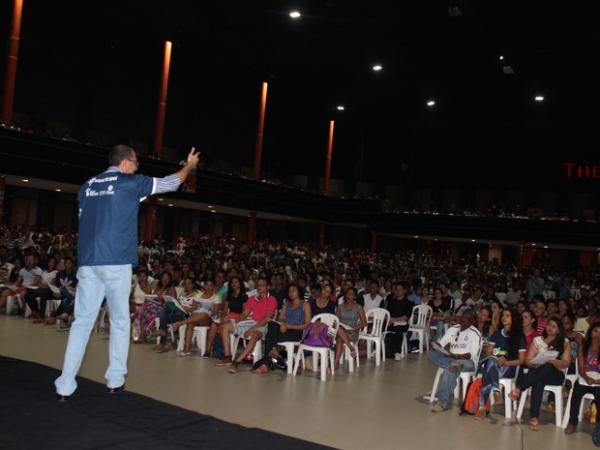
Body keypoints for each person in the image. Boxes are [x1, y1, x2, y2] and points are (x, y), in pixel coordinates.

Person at [54, 145, 200, 401]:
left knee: (81, 323)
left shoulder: (87, 186)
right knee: (121, 321)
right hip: (116, 260)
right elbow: (170, 183)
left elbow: (84, 219)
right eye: (135, 163)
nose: (137, 167)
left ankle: (65, 385)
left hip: (88, 261)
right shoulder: (129, 182)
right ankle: (115, 379)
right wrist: (189, 166)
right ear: (124, 163)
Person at [510, 317, 571, 430]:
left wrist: (554, 361)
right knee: (540, 379)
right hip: (538, 373)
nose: (550, 328)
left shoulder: (565, 342)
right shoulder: (537, 340)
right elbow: (528, 360)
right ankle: (534, 417)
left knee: (547, 366)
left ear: (558, 330)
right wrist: (533, 364)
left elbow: (566, 363)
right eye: (549, 325)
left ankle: (519, 388)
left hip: (556, 375)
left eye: (554, 326)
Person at [216, 277, 277, 373]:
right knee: (225, 327)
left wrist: (252, 329)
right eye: (258, 285)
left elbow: (267, 319)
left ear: (268, 287)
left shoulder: (272, 299)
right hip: (250, 322)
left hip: (264, 325)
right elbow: (245, 314)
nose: (259, 287)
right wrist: (235, 320)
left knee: (255, 334)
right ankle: (227, 356)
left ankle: (237, 362)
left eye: (262, 285)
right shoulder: (253, 299)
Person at [428, 310, 482, 413]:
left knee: (452, 367)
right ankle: (453, 367)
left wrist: (457, 356)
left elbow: (472, 355)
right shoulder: (454, 328)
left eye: (466, 318)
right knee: (431, 353)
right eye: (462, 317)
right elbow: (442, 343)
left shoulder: (475, 333)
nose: (462, 319)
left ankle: (442, 402)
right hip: (451, 358)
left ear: (472, 321)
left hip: (468, 362)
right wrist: (436, 346)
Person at [478, 308, 526, 418]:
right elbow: (489, 352)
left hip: (509, 367)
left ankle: (482, 406)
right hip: (494, 363)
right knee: (491, 361)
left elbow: (521, 360)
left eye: (507, 315)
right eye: (503, 315)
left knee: (488, 369)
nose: (504, 318)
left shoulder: (519, 337)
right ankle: (496, 391)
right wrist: (497, 357)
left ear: (514, 319)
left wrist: (506, 362)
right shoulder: (496, 334)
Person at [565, 323, 600, 435]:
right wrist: (586, 378)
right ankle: (572, 422)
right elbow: (580, 367)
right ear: (590, 333)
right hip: (585, 377)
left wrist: (598, 381)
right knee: (577, 391)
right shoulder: (583, 347)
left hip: (599, 380)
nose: (597, 335)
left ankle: (598, 426)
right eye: (595, 331)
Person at [173, 278, 222, 356]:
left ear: (213, 287)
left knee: (203, 314)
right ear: (204, 286)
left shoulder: (216, 297)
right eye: (207, 285)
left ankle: (181, 323)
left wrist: (206, 310)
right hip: (196, 316)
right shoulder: (198, 295)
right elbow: (193, 309)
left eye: (210, 285)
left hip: (208, 319)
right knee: (190, 324)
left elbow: (214, 312)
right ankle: (186, 349)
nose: (208, 287)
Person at [264, 284, 311, 360]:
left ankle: (272, 353)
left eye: (293, 290)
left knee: (270, 336)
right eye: (289, 291)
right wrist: (282, 323)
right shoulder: (287, 304)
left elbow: (307, 325)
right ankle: (274, 350)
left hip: (296, 332)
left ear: (299, 292)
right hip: (283, 329)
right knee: (272, 324)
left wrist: (288, 326)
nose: (291, 293)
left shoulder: (305, 304)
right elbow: (280, 318)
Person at [204, 275, 247, 358]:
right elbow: (225, 310)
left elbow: (244, 313)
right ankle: (208, 350)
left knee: (219, 326)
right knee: (213, 325)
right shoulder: (229, 295)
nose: (234, 284)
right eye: (232, 283)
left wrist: (231, 318)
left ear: (240, 284)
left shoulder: (244, 296)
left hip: (238, 318)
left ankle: (221, 350)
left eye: (236, 282)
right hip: (228, 316)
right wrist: (222, 316)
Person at [334, 287, 367, 369]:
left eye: (352, 294)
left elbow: (364, 322)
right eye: (348, 293)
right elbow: (336, 321)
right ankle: (351, 348)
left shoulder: (358, 307)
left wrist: (354, 328)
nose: (349, 295)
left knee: (339, 339)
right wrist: (340, 326)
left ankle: (336, 363)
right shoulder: (340, 307)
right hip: (341, 330)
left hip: (352, 332)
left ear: (355, 296)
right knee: (339, 331)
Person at [384, 282, 414, 361]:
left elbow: (406, 317)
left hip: (402, 324)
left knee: (399, 329)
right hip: (391, 322)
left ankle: (398, 352)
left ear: (404, 291)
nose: (398, 291)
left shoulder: (408, 303)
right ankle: (377, 349)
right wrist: (388, 320)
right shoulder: (391, 301)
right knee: (379, 326)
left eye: (400, 289)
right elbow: (386, 313)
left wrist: (394, 320)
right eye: (396, 289)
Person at [45, 257, 78, 326]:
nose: (67, 265)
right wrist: (56, 292)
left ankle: (55, 316)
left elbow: (76, 287)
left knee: (66, 297)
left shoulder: (75, 275)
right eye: (66, 263)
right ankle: (63, 316)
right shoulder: (59, 273)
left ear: (72, 265)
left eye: (69, 263)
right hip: (60, 293)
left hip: (71, 293)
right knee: (67, 295)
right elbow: (56, 286)